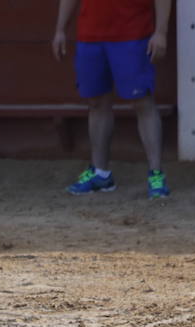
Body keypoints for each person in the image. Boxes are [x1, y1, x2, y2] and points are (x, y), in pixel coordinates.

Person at [52, 0, 172, 198]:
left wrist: (160, 32)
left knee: (142, 101)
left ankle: (156, 174)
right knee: (96, 103)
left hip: (133, 33)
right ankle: (100, 173)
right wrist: (60, 29)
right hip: (90, 35)